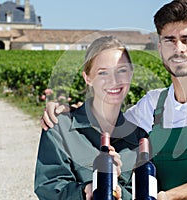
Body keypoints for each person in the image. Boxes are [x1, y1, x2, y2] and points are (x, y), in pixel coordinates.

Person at [41, 0, 187, 199]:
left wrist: (167, 197)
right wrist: (69, 112)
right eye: (170, 40)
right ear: (160, 48)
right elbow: (107, 122)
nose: (179, 49)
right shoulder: (152, 104)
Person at [34, 36, 148, 200]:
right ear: (88, 78)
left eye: (121, 70)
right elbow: (48, 188)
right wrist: (89, 189)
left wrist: (116, 188)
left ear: (130, 74)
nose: (114, 80)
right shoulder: (60, 127)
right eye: (103, 72)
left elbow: (143, 193)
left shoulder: (140, 138)